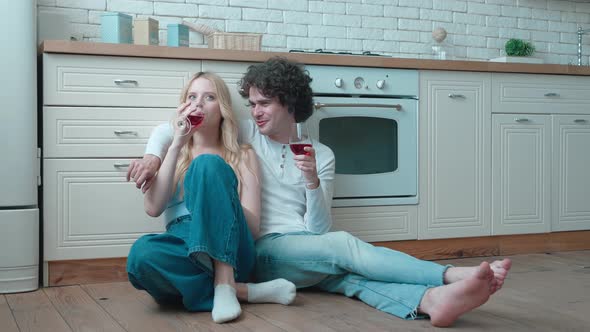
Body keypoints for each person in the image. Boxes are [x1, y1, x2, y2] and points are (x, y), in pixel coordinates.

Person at [127, 58, 512, 327]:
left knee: (340, 265)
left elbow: (317, 228)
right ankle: (445, 279)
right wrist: (154, 154)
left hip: (291, 244)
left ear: (290, 105)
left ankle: (434, 297)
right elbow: (186, 123)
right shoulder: (246, 134)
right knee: (342, 253)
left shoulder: (314, 154)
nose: (256, 111)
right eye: (252, 104)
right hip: (261, 247)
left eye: (264, 104)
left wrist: (311, 181)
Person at [126, 72, 296, 324]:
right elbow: (153, 208)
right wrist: (175, 144)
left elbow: (253, 228)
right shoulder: (176, 152)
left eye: (209, 97)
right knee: (141, 256)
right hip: (184, 241)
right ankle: (244, 291)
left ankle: (226, 282)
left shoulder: (243, 154)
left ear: (222, 108)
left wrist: (219, 202)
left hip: (232, 243)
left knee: (207, 165)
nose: (198, 104)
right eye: (192, 97)